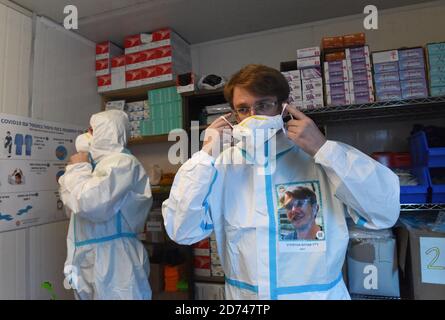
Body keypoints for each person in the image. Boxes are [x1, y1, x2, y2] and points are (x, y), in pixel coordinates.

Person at [162, 64, 400, 300]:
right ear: (233, 116)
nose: (253, 116)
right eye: (243, 109)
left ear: (284, 107)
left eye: (263, 105)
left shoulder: (320, 157)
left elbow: (383, 212)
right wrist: (204, 157)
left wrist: (323, 148)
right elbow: (182, 231)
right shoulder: (222, 166)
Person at [59, 110, 153, 300]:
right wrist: (80, 169)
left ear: (108, 131)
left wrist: (77, 168)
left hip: (115, 259)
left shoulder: (123, 163)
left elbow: (90, 204)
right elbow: (73, 205)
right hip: (87, 255)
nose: (87, 135)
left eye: (92, 130)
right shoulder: (94, 167)